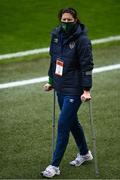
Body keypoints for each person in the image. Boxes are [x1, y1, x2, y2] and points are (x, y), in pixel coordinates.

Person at [42, 7, 94, 178]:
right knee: (72, 122)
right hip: (60, 86)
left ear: (75, 20)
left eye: (69, 20)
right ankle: (85, 153)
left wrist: (86, 90)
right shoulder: (56, 35)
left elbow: (87, 66)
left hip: (75, 89)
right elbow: (53, 60)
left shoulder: (82, 40)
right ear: (60, 20)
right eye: (63, 20)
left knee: (63, 125)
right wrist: (51, 81)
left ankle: (54, 166)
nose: (66, 23)